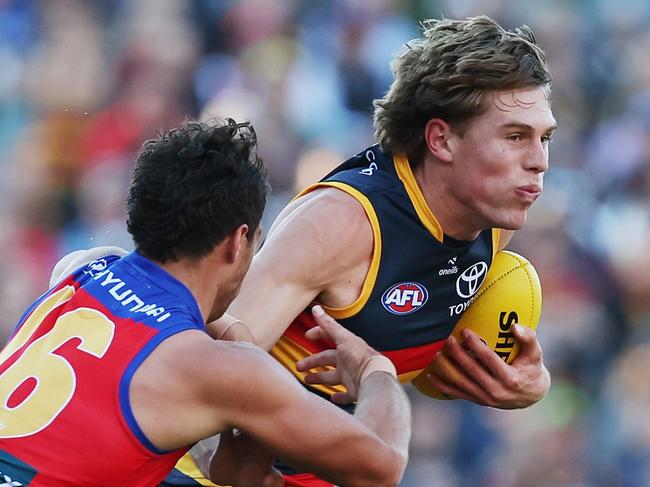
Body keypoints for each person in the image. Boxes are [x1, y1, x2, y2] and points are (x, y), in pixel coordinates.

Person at [167, 15, 557, 487]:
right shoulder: (341, 223)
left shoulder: (493, 218)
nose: (539, 161)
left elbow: (396, 344)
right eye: (515, 136)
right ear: (441, 139)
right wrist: (231, 471)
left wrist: (529, 384)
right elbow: (202, 368)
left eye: (544, 138)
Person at [0, 119, 411, 486]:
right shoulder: (220, 369)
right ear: (237, 241)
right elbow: (381, 466)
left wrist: (234, 332)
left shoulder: (79, 270)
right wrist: (377, 370)